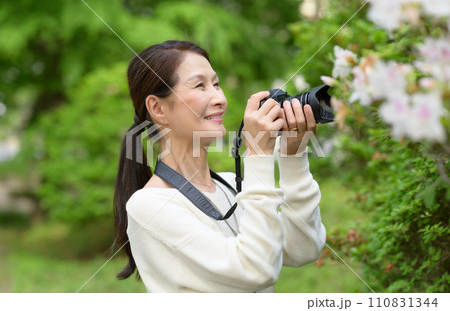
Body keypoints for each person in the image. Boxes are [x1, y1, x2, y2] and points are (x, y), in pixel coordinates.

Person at [113, 40, 326, 293]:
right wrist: (258, 155)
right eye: (200, 85)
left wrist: (293, 155)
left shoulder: (231, 186)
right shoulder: (150, 206)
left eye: (216, 83)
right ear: (158, 108)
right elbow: (256, 271)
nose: (220, 98)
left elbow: (304, 248)